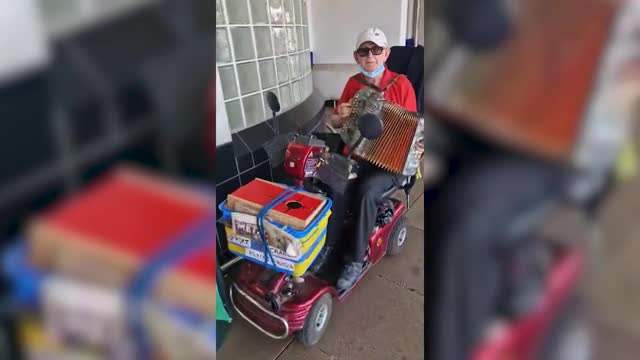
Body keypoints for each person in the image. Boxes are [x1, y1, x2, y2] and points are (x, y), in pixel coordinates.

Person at [329, 27, 417, 290]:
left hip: (392, 162)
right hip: (357, 155)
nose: (370, 56)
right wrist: (338, 116)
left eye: (376, 50)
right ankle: (329, 247)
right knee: (333, 182)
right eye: (364, 51)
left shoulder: (401, 85)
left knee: (367, 191)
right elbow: (335, 121)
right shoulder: (353, 84)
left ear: (386, 53)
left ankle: (356, 260)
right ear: (357, 57)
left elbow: (412, 130)